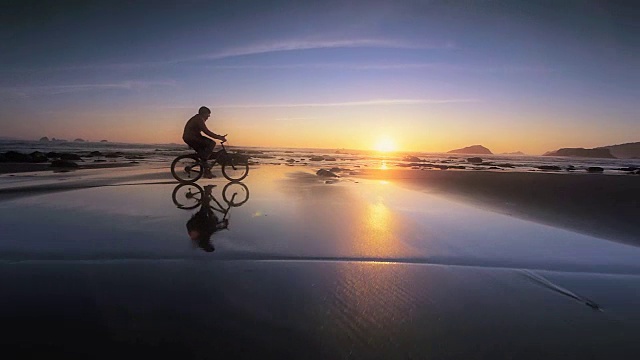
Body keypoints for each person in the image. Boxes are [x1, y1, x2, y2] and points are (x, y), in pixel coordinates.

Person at [182, 106, 227, 178]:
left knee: (205, 153)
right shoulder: (199, 119)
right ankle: (204, 162)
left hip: (193, 137)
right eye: (208, 115)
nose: (208, 117)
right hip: (191, 138)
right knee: (212, 143)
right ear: (203, 113)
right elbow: (206, 131)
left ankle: (206, 171)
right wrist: (219, 137)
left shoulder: (198, 118)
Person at [186, 185, 228, 252]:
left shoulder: (203, 239)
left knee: (210, 216)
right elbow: (212, 230)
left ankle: (206, 195)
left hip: (197, 222)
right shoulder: (201, 241)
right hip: (196, 223)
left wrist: (222, 225)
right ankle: (206, 195)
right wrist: (222, 226)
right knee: (208, 213)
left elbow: (212, 230)